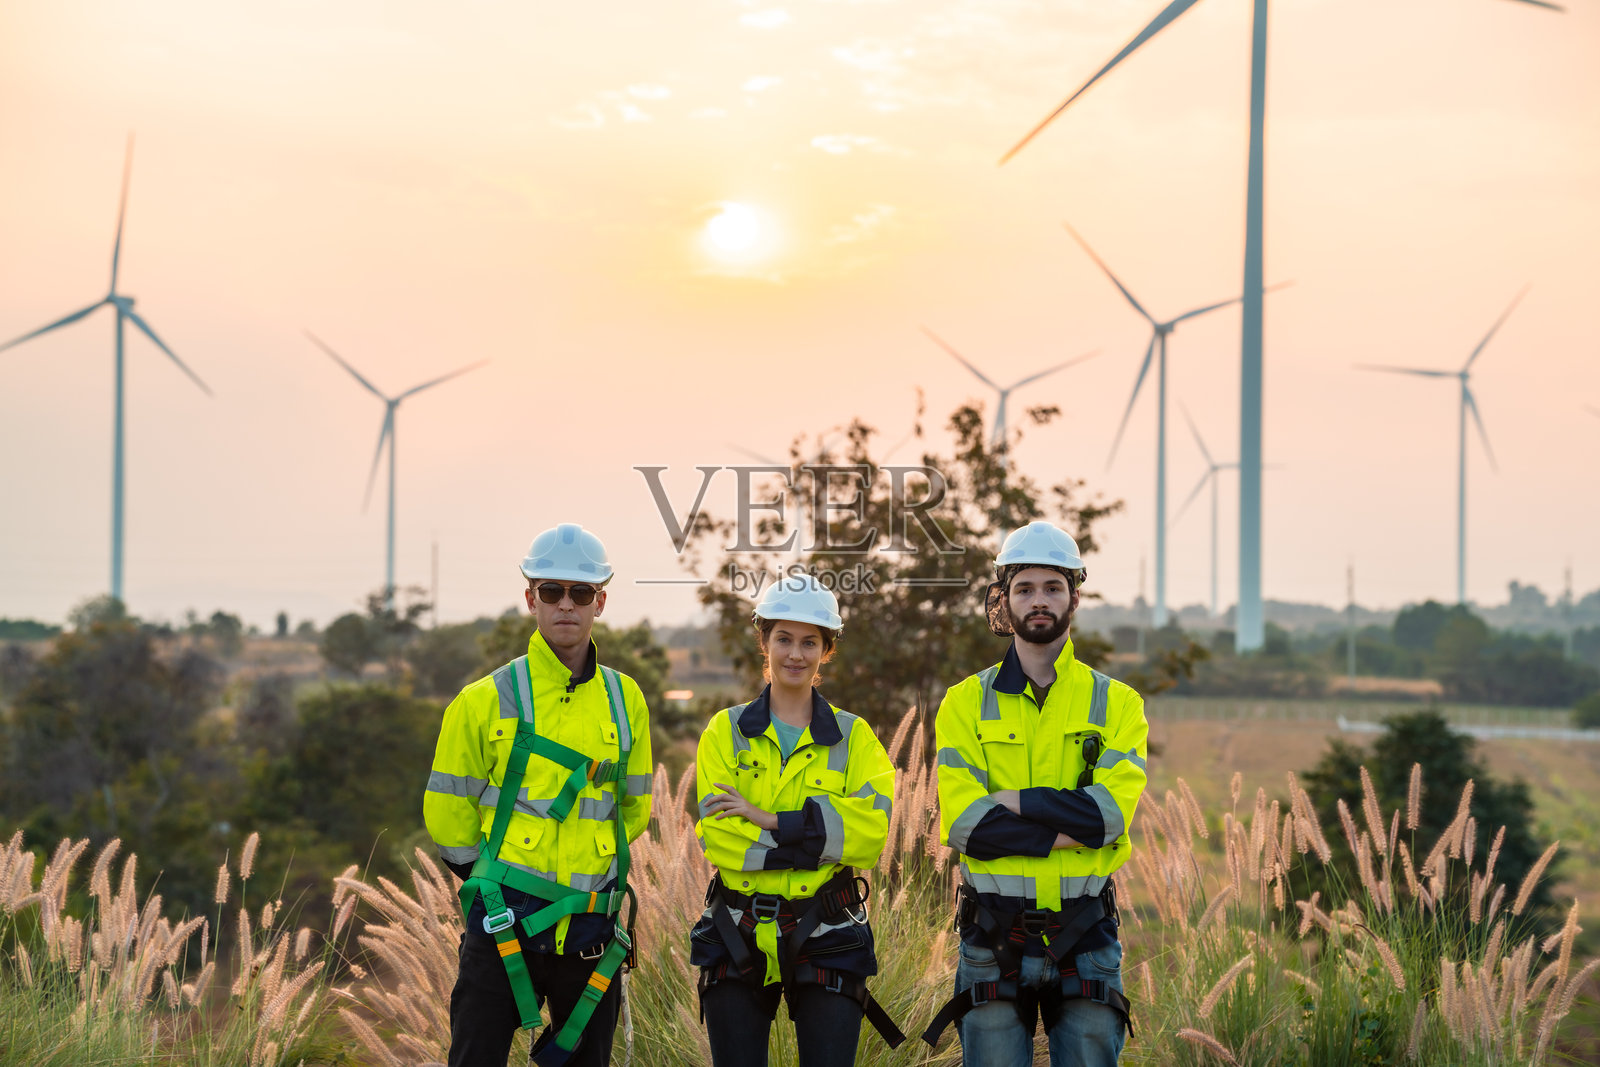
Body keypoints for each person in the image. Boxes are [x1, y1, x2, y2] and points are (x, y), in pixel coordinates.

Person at [424, 523, 653, 1067]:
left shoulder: (626, 701)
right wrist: (494, 887)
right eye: (552, 592)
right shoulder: (481, 701)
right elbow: (447, 816)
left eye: (580, 593)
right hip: (503, 923)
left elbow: (634, 809)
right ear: (531, 599)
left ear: (600, 601)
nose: (565, 605)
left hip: (591, 928)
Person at [923, 520, 1147, 1066]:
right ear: (1004, 597)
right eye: (1025, 588)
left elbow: (1110, 818)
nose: (1039, 601)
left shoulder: (1117, 703)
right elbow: (967, 827)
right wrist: (1072, 825)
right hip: (992, 937)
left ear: (1074, 595)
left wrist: (1010, 800)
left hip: (1086, 936)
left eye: (1052, 587)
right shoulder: (963, 703)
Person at [691, 574, 906, 1066]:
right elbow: (723, 842)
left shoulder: (856, 739)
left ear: (826, 650)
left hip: (829, 931)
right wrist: (823, 837)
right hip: (736, 928)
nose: (795, 653)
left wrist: (769, 821)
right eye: (783, 638)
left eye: (810, 642)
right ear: (763, 640)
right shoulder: (724, 734)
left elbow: (871, 835)